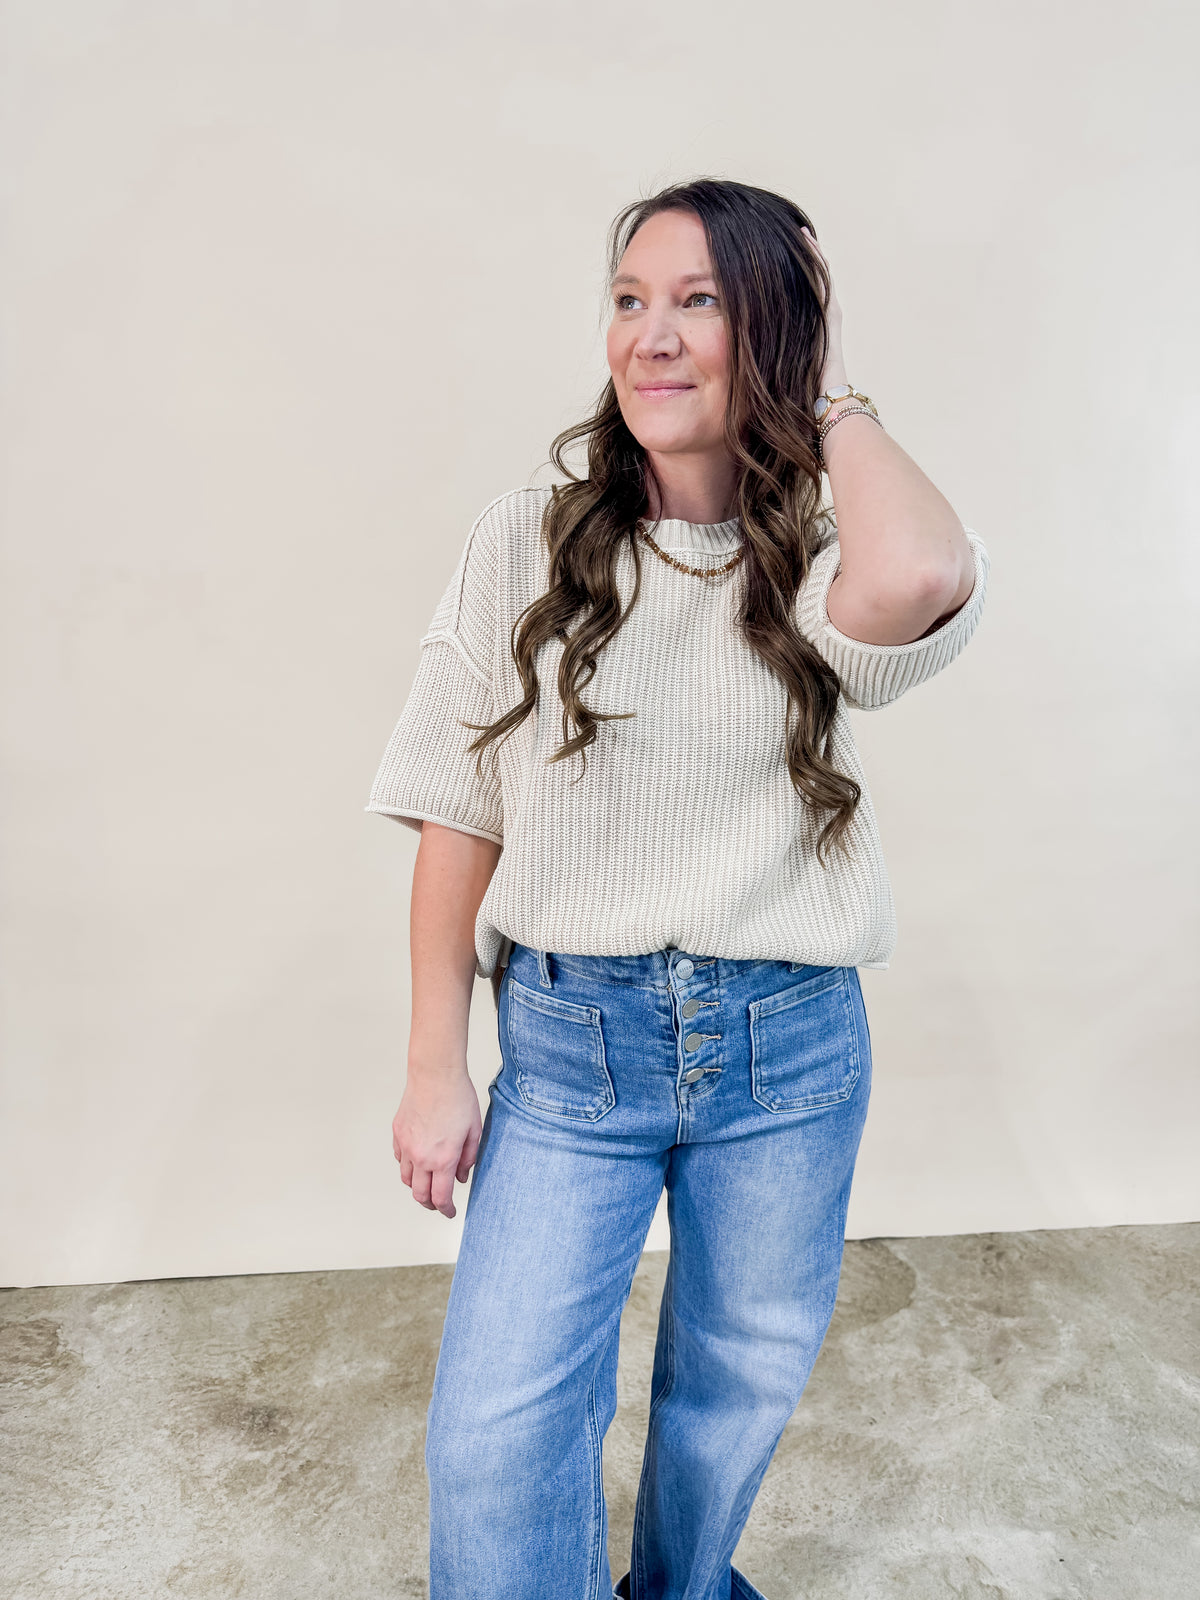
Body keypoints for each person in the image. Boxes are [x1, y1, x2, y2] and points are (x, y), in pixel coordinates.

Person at [365, 177, 990, 1600]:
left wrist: (828, 401)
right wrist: (432, 1066)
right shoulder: (525, 537)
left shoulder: (821, 548)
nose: (650, 335)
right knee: (497, 1428)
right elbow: (454, 806)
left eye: (699, 302)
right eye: (630, 299)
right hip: (572, 1051)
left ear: (770, 333)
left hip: (788, 1050)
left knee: (732, 1395)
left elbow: (927, 568)